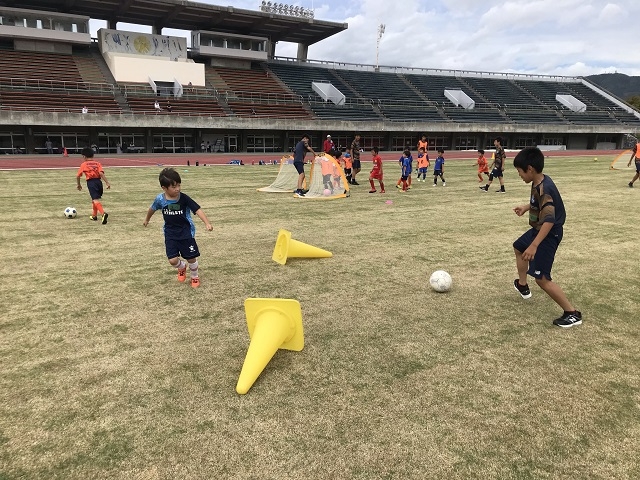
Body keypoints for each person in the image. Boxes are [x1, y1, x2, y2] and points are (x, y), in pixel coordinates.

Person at [512, 147, 581, 328]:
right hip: (539, 230)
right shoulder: (540, 181)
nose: (519, 175)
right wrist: (527, 206)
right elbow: (539, 201)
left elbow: (549, 219)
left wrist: (534, 245)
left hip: (548, 234)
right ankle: (522, 284)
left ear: (530, 169)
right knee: (519, 247)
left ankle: (572, 313)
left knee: (542, 279)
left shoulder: (545, 188)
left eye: (519, 171)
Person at [143, 168, 213, 289]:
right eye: (174, 187)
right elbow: (152, 208)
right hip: (170, 233)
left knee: (191, 257)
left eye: (179, 185)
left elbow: (197, 209)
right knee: (172, 260)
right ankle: (181, 267)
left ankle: (194, 276)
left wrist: (207, 223)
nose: (178, 189)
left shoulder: (184, 198)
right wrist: (147, 219)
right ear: (164, 188)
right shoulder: (160, 199)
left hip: (186, 232)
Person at [76, 147, 111, 224]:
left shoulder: (84, 164)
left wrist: (79, 184)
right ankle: (94, 215)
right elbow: (101, 173)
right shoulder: (97, 163)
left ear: (84, 156)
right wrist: (107, 182)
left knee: (95, 200)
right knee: (95, 199)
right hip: (99, 182)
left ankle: (103, 214)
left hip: (91, 182)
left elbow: (78, 176)